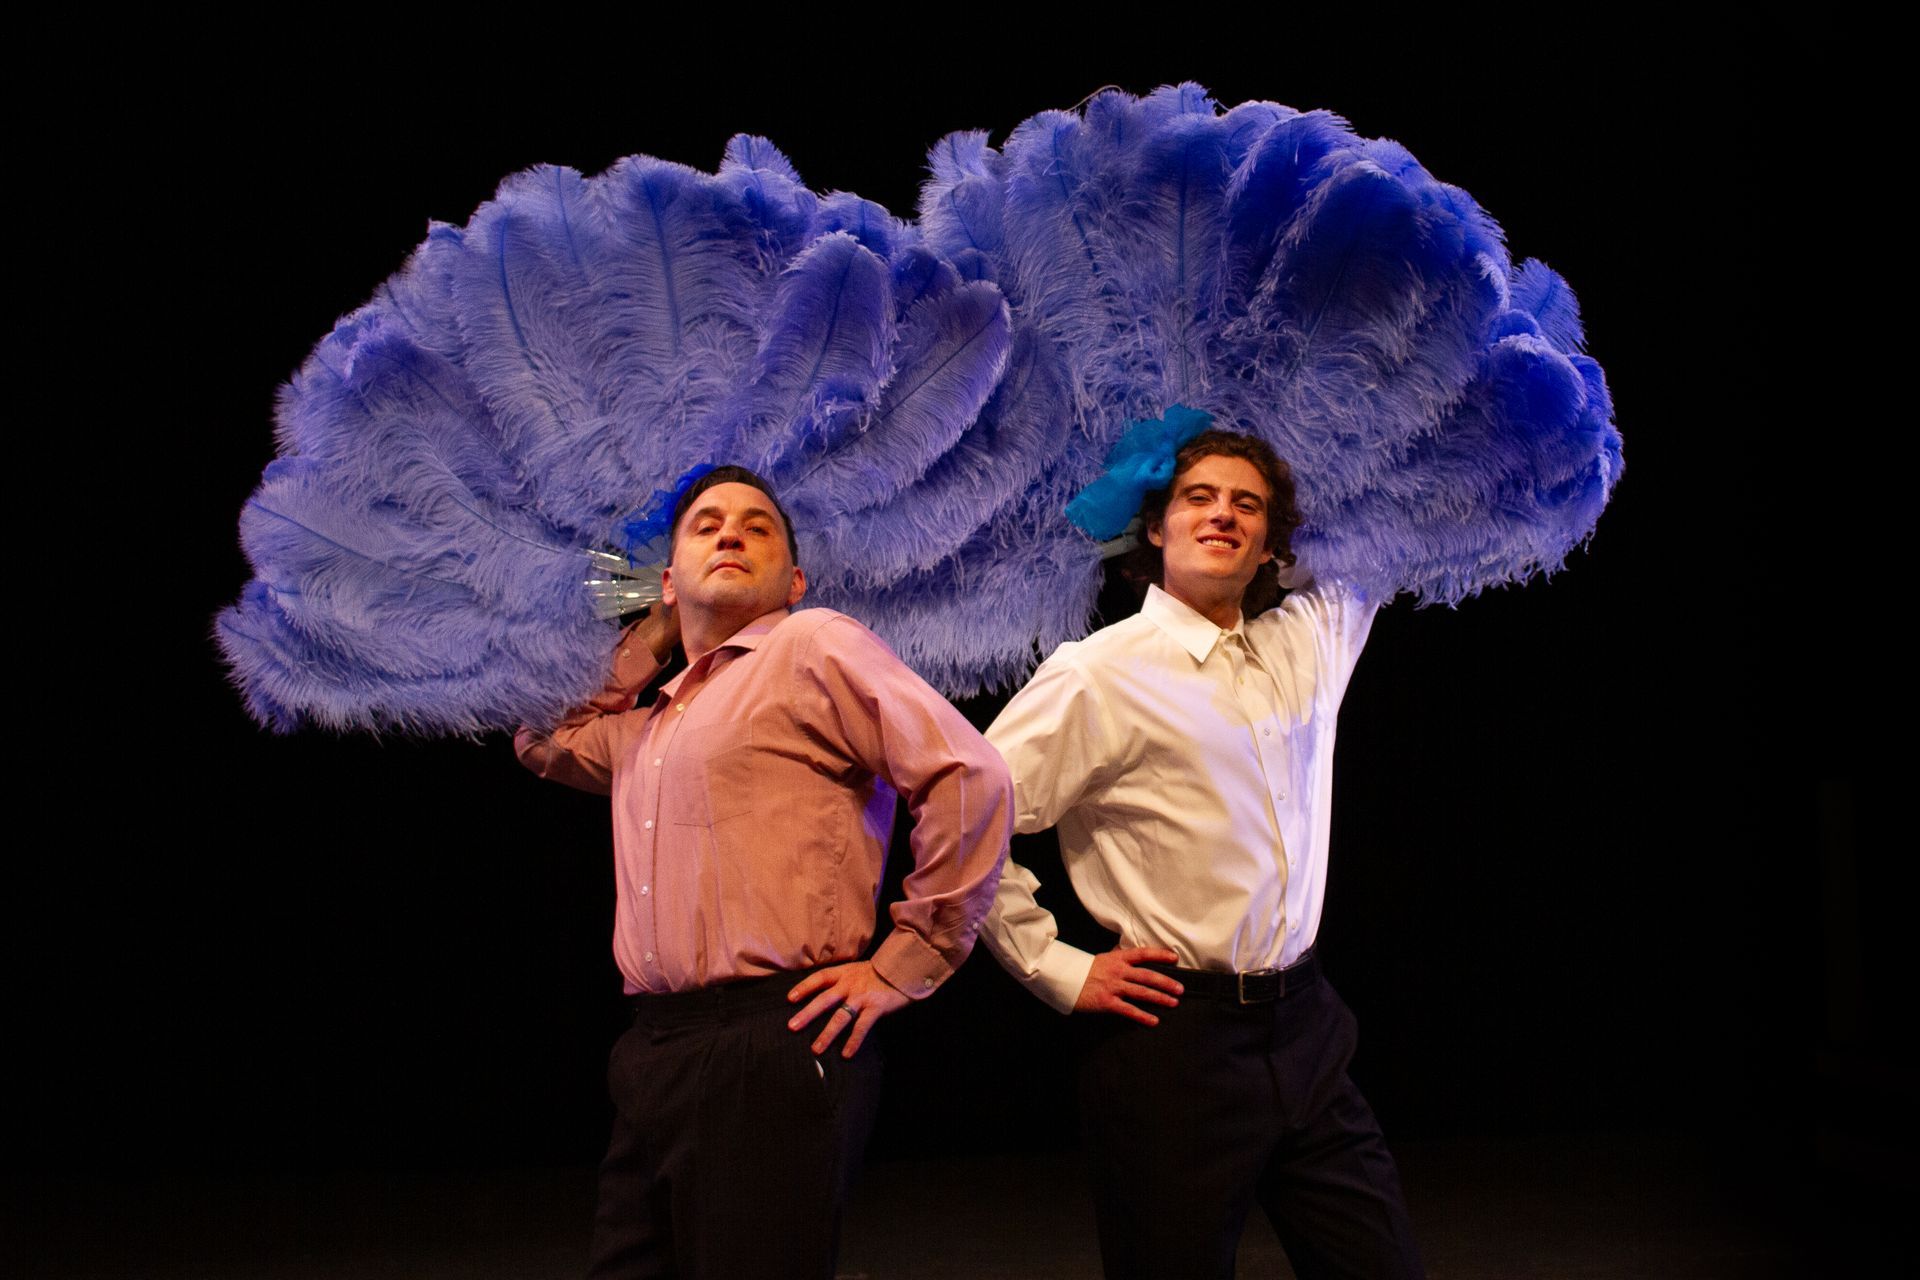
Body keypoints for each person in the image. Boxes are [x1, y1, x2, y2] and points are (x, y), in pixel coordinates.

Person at [516, 465, 1011, 1280]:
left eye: (757, 526)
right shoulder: (655, 722)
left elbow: (970, 774)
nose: (731, 533)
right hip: (655, 1049)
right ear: (668, 579)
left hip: (771, 1039)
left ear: (796, 577)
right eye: (706, 525)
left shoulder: (812, 644)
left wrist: (910, 957)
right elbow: (541, 733)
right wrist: (656, 637)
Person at [981, 429, 1424, 1279]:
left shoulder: (1308, 640)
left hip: (1307, 1028)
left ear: (1271, 542)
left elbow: (1380, 523)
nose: (1223, 512)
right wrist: (1057, 967)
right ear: (1155, 529)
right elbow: (965, 822)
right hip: (1175, 1049)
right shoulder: (1096, 675)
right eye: (1198, 497)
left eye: (1247, 504)